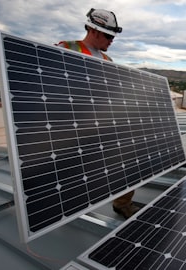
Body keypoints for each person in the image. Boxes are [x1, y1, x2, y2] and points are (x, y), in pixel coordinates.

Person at [57, 8, 140, 219]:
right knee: (73, 171)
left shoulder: (107, 60)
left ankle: (122, 203)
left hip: (100, 123)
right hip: (72, 126)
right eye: (108, 35)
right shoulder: (65, 48)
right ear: (93, 30)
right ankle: (64, 206)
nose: (112, 40)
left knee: (128, 155)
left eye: (113, 36)